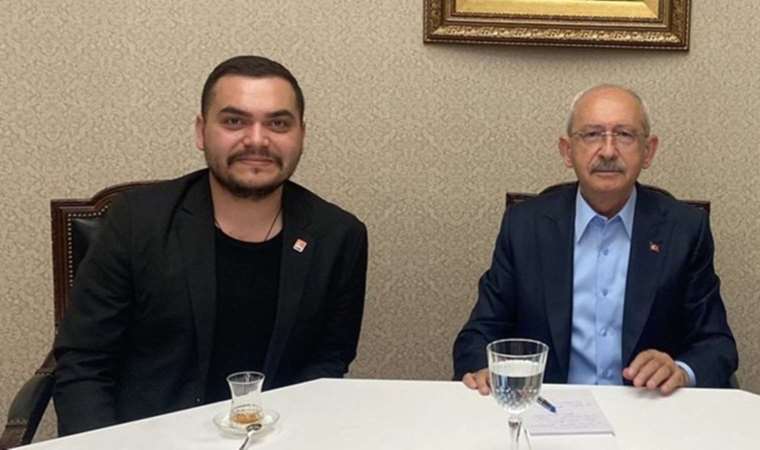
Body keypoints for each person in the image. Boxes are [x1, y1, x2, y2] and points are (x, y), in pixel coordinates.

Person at [53, 55, 368, 435]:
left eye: (278, 123)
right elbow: (84, 364)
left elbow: (328, 363)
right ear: (202, 132)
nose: (257, 140)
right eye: (234, 121)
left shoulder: (339, 236)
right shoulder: (136, 222)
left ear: (301, 134)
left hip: (278, 436)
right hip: (149, 439)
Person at [453, 84, 737, 397]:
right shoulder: (524, 226)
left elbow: (717, 345)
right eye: (591, 135)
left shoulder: (684, 229)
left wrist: (680, 371)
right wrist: (483, 369)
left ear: (648, 151)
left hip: (646, 408)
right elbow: (479, 334)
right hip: (547, 407)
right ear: (567, 151)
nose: (608, 151)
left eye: (625, 135)